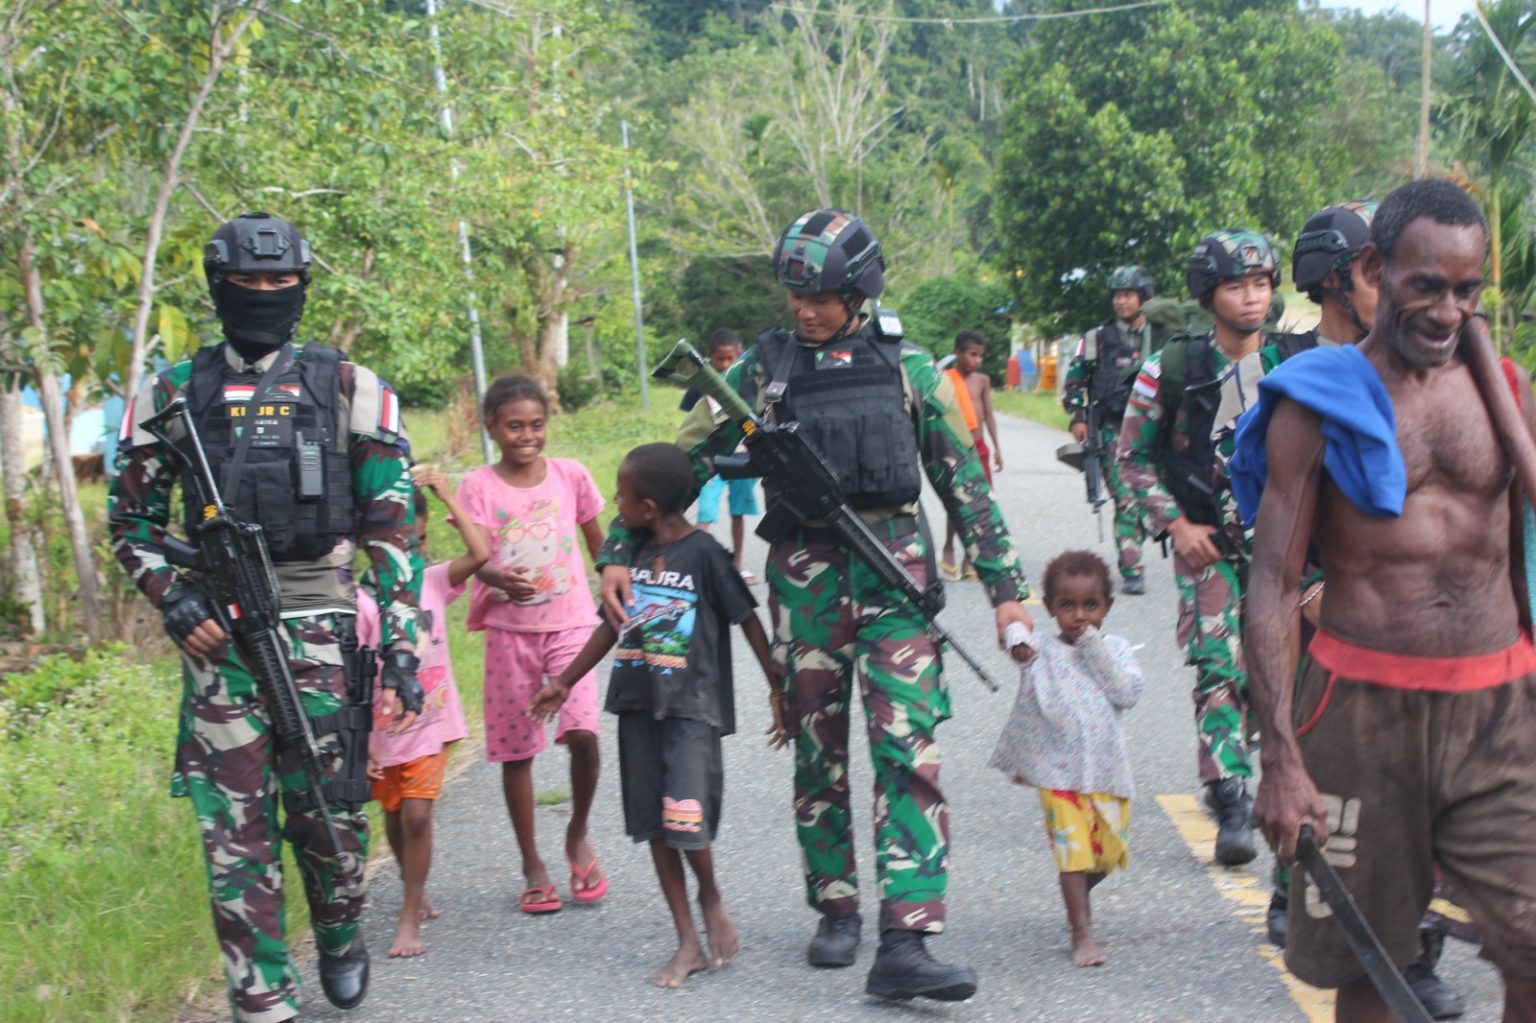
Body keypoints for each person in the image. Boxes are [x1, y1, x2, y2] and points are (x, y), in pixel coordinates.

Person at [597, 208, 1033, 1002]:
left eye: (823, 295)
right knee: (816, 750)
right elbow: (666, 469)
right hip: (803, 575)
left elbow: (963, 483)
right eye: (795, 292)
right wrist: (617, 550)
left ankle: (908, 936)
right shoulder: (759, 371)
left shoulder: (908, 367)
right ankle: (835, 906)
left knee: (909, 747)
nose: (805, 308)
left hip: (894, 570)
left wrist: (1008, 594)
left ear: (860, 290)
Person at [107, 212, 423, 1021]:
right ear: (219, 287)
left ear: (302, 287)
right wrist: (174, 600)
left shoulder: (352, 386)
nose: (265, 295)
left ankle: (342, 926)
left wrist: (399, 648)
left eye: (280, 282)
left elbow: (394, 528)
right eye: (249, 282)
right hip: (219, 634)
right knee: (234, 831)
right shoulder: (172, 390)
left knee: (330, 818)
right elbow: (132, 525)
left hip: (320, 624)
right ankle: (262, 995)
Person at [1236, 177, 1536, 1023]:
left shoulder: (1507, 390)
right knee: (1366, 959)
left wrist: (1498, 388)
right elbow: (1274, 580)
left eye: (1466, 291)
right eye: (1425, 287)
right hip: (1360, 710)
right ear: (1374, 268)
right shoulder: (1319, 400)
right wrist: (1280, 758)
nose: (1446, 312)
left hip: (1499, 708)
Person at [529, 443, 783, 988]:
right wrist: (564, 682)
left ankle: (709, 894)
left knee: (685, 820)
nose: (614, 502)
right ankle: (686, 938)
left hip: (694, 709)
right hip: (639, 705)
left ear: (645, 505)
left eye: (619, 494)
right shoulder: (632, 554)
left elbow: (747, 619)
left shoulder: (706, 554)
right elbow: (610, 626)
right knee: (655, 826)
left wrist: (777, 689)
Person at [1116, 231, 1279, 866]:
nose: (1251, 297)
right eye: (1236, 286)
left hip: (1284, 549)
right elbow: (1129, 459)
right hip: (1206, 544)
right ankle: (1231, 796)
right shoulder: (1173, 368)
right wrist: (1176, 526)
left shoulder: (1295, 363)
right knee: (1219, 666)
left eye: (1262, 284)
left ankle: (1278, 776)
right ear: (1209, 295)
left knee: (1278, 673)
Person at [455, 374, 607, 914]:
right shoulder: (478, 485)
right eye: (514, 426)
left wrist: (621, 590)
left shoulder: (571, 476)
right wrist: (496, 579)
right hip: (509, 634)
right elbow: (476, 554)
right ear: (491, 426)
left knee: (584, 733)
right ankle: (532, 863)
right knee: (516, 752)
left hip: (572, 626)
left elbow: (601, 548)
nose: (526, 435)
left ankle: (577, 834)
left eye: (536, 425)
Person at [989, 550, 1142, 968]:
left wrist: (1093, 646)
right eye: (1067, 605)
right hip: (1058, 775)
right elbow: (1016, 636)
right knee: (1073, 855)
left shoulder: (1118, 649)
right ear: (1051, 608)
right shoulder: (1041, 650)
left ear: (1107, 607)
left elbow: (1125, 693)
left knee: (1109, 854)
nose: (1079, 616)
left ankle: (1076, 890)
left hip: (1107, 772)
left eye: (1090, 605)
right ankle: (1082, 931)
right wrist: (1017, 636)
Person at [361, 470, 486, 958]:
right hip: (383, 730)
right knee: (394, 816)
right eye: (400, 545)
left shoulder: (432, 580)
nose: (412, 555)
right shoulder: (358, 600)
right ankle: (414, 880)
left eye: (421, 541)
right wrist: (365, 739)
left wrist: (446, 496)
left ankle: (409, 914)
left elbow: (480, 556)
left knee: (416, 816)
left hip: (431, 724)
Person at [1063, 266, 1157, 594]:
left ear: (1144, 297)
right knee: (1126, 498)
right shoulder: (1097, 338)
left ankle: (1135, 547)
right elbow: (1075, 379)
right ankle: (1133, 567)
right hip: (1111, 431)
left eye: (1128, 295)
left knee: (1148, 501)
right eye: (1117, 295)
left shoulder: (1157, 336)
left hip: (1152, 430)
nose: (1121, 301)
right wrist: (1077, 417)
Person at [686, 329, 762, 583]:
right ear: (710, 357)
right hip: (713, 459)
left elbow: (753, 420)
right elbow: (693, 423)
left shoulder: (747, 381)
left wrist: (750, 442)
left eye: (732, 358)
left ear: (739, 353)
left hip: (742, 459)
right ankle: (692, 568)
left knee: (738, 512)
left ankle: (737, 565)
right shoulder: (703, 383)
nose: (726, 364)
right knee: (706, 512)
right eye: (721, 359)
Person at [940, 330, 1003, 581]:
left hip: (979, 447)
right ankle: (947, 548)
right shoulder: (945, 379)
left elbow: (988, 415)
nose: (976, 360)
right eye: (972, 354)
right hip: (955, 447)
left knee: (979, 503)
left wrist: (997, 448)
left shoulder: (983, 381)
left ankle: (970, 557)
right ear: (957, 353)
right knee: (957, 501)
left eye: (980, 356)